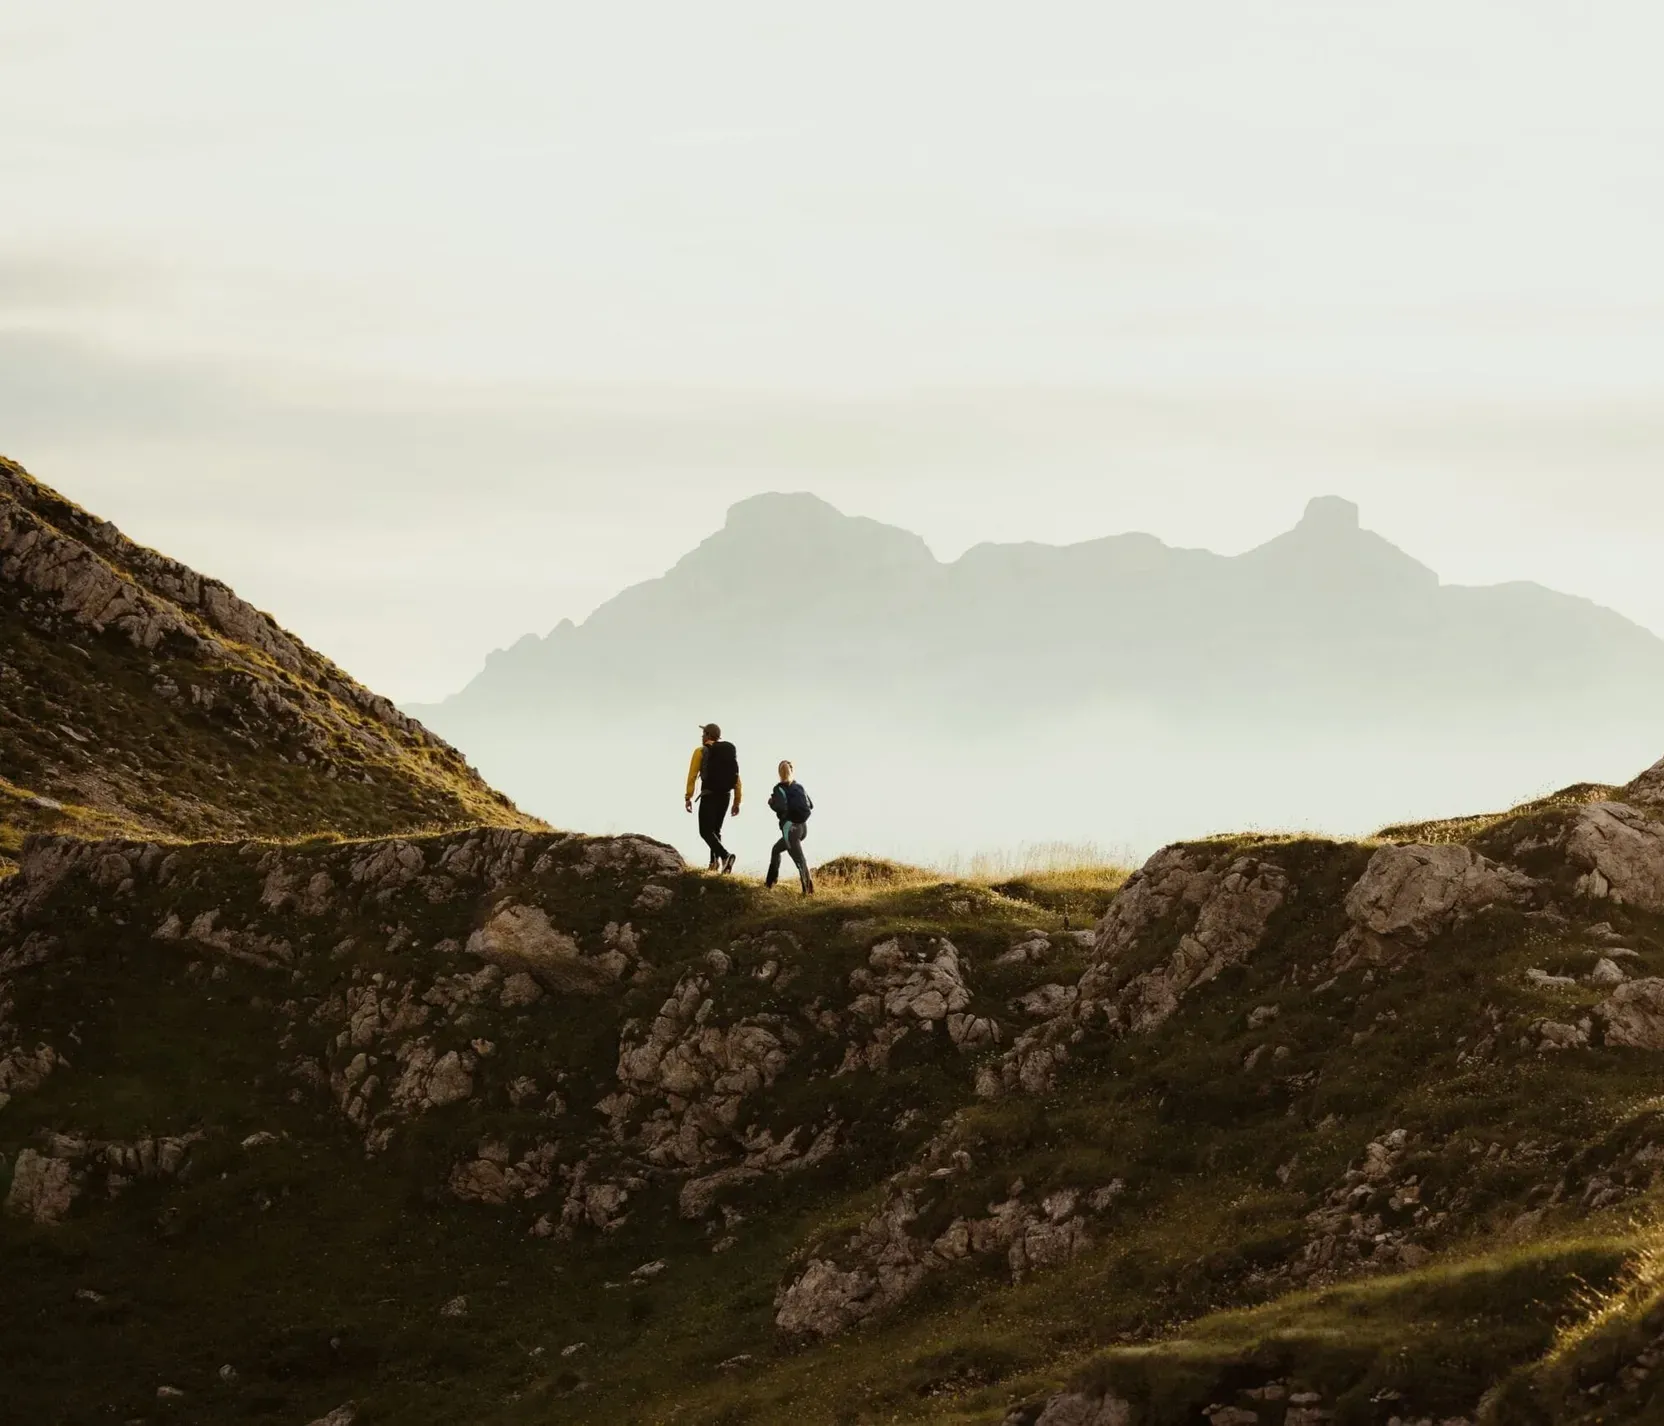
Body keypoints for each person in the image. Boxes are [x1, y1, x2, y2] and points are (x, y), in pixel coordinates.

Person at [686, 722, 741, 872]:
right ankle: (713, 864)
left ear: (709, 735)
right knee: (715, 830)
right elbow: (737, 778)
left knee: (705, 831)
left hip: (709, 794)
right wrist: (737, 801)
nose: (702, 737)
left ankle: (725, 856)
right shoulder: (728, 752)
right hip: (725, 796)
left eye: (703, 734)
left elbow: (692, 774)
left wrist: (688, 796)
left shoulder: (701, 751)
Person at [765, 759, 814, 894]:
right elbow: (810, 805)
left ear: (779, 773)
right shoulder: (799, 787)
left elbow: (780, 807)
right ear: (792, 770)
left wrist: (771, 803)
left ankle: (808, 891)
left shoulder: (779, 788)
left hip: (790, 829)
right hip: (803, 828)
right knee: (776, 849)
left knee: (799, 860)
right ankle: (769, 883)